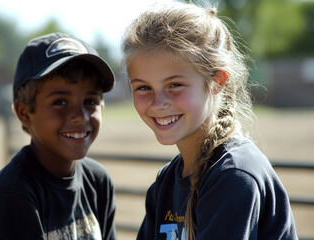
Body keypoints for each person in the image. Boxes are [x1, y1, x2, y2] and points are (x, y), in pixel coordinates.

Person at [122, 2, 298, 240]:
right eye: (143, 87)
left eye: (175, 85)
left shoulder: (235, 176)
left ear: (217, 82)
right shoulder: (166, 182)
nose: (158, 102)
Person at [0, 32, 117, 240]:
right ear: (24, 112)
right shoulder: (12, 197)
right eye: (60, 102)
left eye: (90, 101)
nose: (79, 116)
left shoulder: (97, 181)